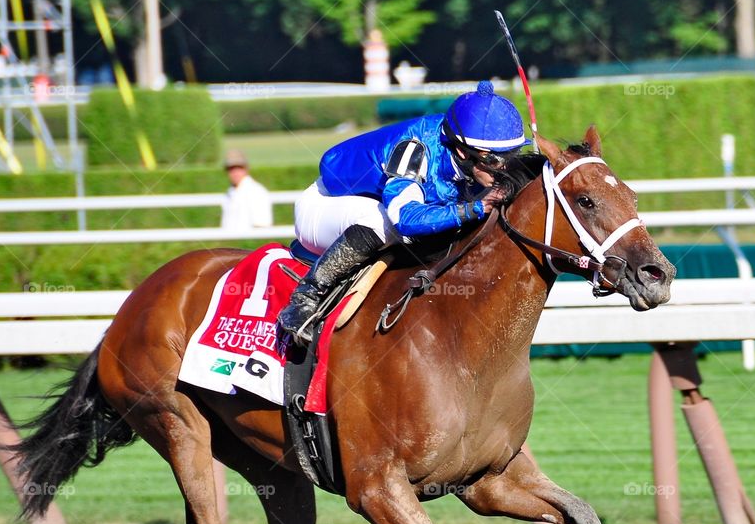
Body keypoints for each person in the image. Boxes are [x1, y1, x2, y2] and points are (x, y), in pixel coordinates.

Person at [277, 80, 528, 344]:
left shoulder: (471, 155)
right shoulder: (413, 149)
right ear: (461, 152)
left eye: (511, 156)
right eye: (494, 161)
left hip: (373, 203)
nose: (504, 168)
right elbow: (405, 219)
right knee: (383, 221)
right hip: (324, 206)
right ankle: (305, 298)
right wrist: (476, 207)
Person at [220, 149, 273, 230]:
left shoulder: (257, 192)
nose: (235, 172)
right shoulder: (229, 192)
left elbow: (262, 225)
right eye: (231, 169)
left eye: (239, 168)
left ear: (246, 168)